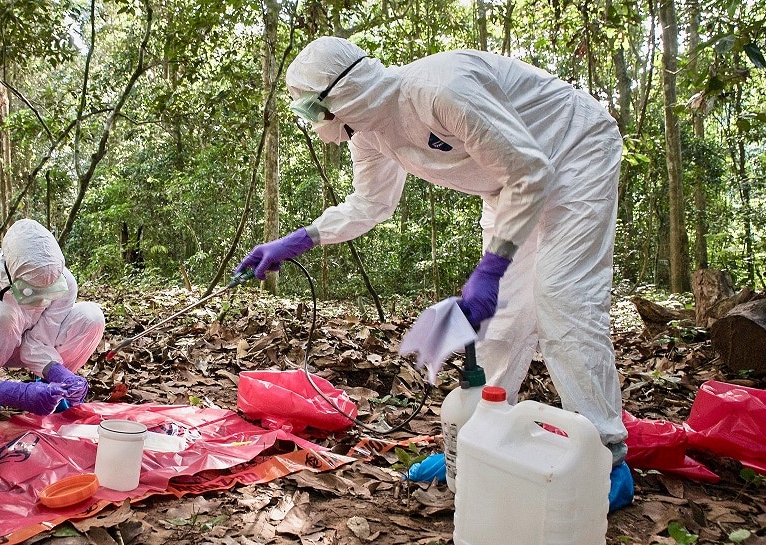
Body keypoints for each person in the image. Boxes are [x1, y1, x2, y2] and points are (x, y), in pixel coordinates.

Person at [235, 37, 633, 509]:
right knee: (501, 321)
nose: (314, 122)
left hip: (575, 151)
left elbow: (532, 172)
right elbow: (371, 203)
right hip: (516, 186)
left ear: (341, 95)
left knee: (562, 296)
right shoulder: (369, 133)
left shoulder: (439, 90)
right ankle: (479, 443)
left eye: (311, 108)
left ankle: (606, 460)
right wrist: (300, 239)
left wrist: (492, 267)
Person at [0, 218, 105, 420]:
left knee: (91, 316)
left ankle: (54, 390)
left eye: (50, 288)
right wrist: (11, 392)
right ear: (10, 271)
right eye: (33, 290)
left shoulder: (65, 282)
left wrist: (58, 373)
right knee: (2, 315)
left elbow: (40, 341)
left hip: (24, 345)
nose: (42, 298)